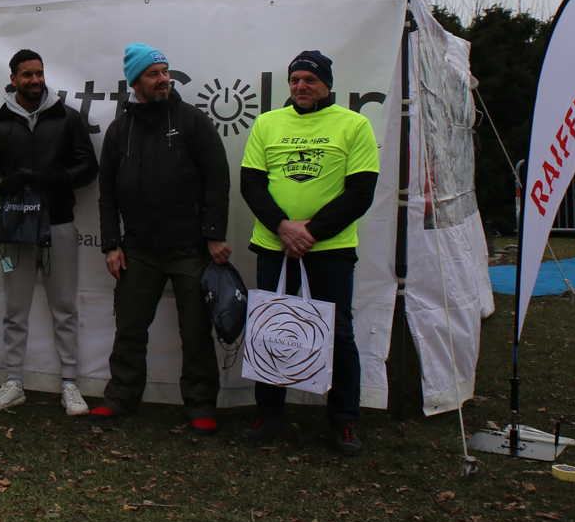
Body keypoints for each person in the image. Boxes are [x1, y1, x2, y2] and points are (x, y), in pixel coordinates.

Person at [238, 51, 378, 455]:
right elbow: (251, 184)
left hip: (329, 248)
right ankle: (268, 412)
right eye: (295, 79)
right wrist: (283, 227)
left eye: (310, 80)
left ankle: (344, 419)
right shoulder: (267, 123)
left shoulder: (354, 124)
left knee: (339, 333)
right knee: (269, 329)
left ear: (327, 84)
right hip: (274, 245)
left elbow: (361, 191)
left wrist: (310, 232)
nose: (301, 86)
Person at [89, 44, 231, 432]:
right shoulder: (121, 129)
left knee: (195, 330)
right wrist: (111, 243)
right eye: (154, 74)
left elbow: (217, 180)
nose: (164, 79)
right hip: (138, 249)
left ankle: (201, 404)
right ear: (135, 83)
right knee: (129, 329)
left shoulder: (193, 120)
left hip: (190, 248)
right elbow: (107, 192)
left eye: (165, 72)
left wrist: (214, 235)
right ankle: (120, 397)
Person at [0, 49, 99, 415]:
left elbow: (89, 167)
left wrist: (56, 179)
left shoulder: (67, 117)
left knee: (64, 307)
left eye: (39, 73)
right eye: (27, 74)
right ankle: (14, 382)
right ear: (13, 79)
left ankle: (70, 384)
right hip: (16, 228)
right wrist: (4, 183)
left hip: (58, 224)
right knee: (16, 308)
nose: (35, 80)